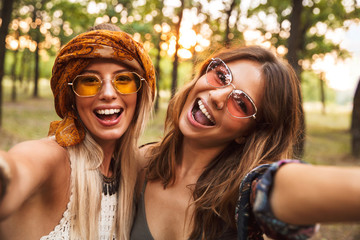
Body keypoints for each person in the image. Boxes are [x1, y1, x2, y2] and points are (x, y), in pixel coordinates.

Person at [130, 45, 360, 240]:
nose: (217, 97)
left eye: (241, 104)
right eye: (220, 76)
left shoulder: (244, 193)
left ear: (249, 134)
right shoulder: (138, 163)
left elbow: (282, 188)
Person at [0, 23, 155, 240]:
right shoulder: (56, 161)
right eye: (89, 81)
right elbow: (17, 169)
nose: (108, 93)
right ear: (71, 96)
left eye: (123, 79)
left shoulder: (135, 171)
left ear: (140, 94)